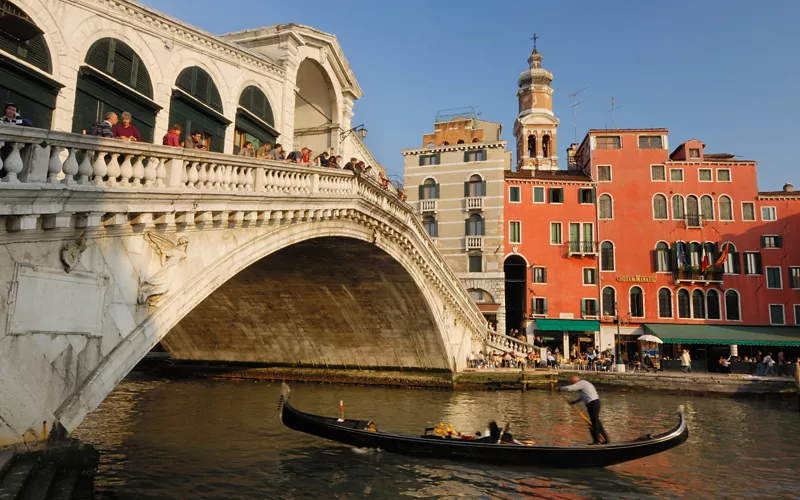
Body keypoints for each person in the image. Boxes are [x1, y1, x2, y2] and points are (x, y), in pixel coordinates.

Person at [559, 376, 609, 445]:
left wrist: (560, 388)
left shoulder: (581, 383)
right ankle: (605, 439)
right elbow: (581, 397)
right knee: (596, 421)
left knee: (594, 422)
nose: (573, 384)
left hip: (593, 403)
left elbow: (570, 388)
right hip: (594, 403)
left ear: (575, 381)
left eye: (573, 382)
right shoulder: (585, 385)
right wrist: (573, 402)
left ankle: (597, 441)